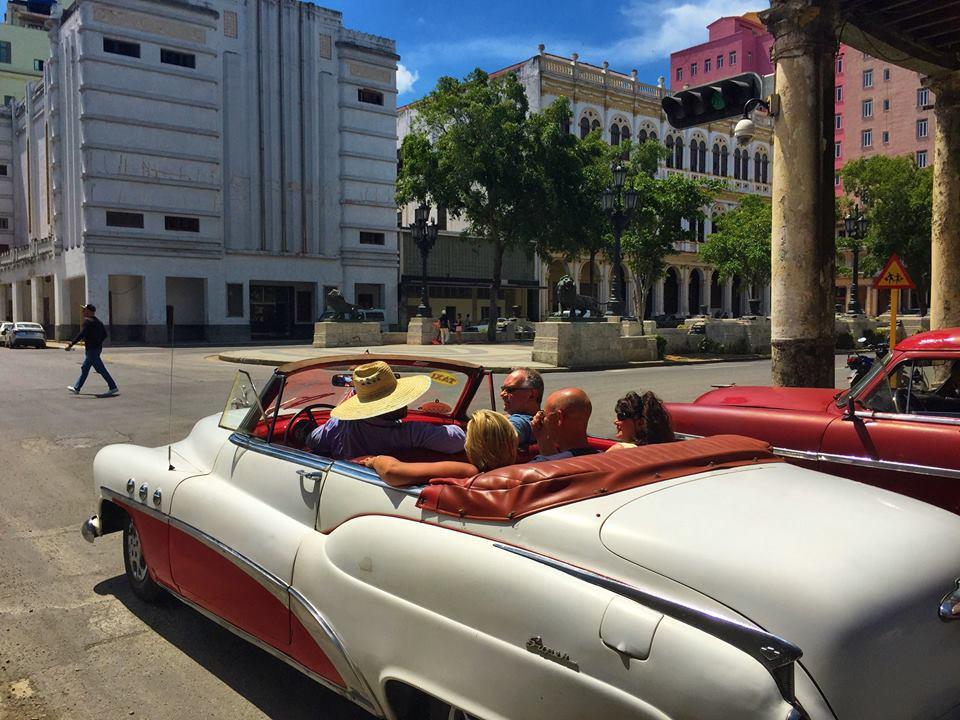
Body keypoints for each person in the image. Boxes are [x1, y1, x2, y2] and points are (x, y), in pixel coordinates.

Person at [306, 360, 465, 458]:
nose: (405, 402)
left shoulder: (339, 425)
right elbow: (457, 439)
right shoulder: (407, 433)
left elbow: (313, 440)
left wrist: (342, 415)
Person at [361, 409, 517, 487]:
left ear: (474, 444)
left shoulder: (468, 471)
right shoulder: (514, 471)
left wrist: (375, 460)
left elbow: (392, 472)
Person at [530, 388, 598, 461]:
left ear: (559, 418)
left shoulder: (538, 465)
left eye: (544, 415)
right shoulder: (605, 458)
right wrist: (542, 439)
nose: (543, 421)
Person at [66, 304, 119, 397]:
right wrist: (98, 342)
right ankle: (77, 388)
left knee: (100, 369)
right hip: (97, 348)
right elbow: (105, 335)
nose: (83, 312)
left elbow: (81, 334)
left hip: (91, 350)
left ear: (90, 311)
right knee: (85, 368)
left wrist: (71, 344)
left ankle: (113, 386)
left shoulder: (88, 322)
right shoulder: (99, 322)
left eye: (85, 310)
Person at [606, 390, 675, 452]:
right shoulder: (667, 448)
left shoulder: (620, 450)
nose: (615, 421)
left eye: (620, 417)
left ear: (640, 423)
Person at [499, 367, 543, 451]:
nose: (502, 394)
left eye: (510, 390)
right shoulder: (539, 419)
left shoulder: (521, 422)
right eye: (503, 389)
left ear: (531, 394)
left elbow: (500, 439)